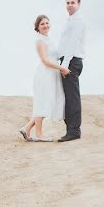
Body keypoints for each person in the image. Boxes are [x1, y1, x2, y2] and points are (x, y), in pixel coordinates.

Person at [20, 14, 68, 142]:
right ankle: (39, 134)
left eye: (47, 23)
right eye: (42, 24)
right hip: (45, 74)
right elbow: (45, 61)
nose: (45, 25)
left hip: (51, 74)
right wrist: (62, 68)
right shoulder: (40, 41)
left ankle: (27, 128)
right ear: (37, 27)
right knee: (42, 103)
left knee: (47, 102)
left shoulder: (48, 39)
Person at [56, 0, 86, 142]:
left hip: (71, 61)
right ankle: (71, 129)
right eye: (67, 2)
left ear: (79, 4)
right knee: (68, 96)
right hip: (67, 60)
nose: (70, 5)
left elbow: (72, 44)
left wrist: (64, 65)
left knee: (72, 97)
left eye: (73, 2)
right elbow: (64, 44)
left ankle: (74, 130)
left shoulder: (77, 21)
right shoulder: (70, 21)